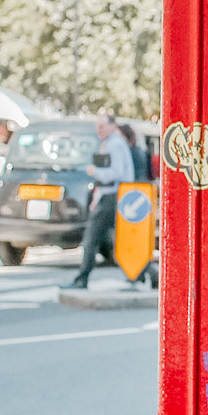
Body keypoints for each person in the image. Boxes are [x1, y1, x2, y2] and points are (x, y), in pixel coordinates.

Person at [70, 114, 134, 287]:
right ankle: (145, 272)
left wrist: (94, 172)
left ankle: (82, 279)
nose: (99, 130)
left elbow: (116, 173)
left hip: (112, 196)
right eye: (97, 126)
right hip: (110, 195)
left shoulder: (114, 144)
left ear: (113, 126)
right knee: (121, 238)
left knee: (91, 238)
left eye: (103, 126)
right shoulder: (110, 143)